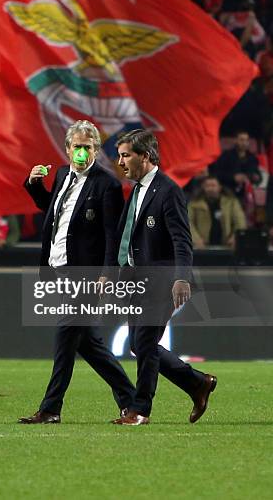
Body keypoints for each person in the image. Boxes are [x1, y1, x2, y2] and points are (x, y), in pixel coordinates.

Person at [18, 120, 138, 424]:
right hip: (59, 268)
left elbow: (113, 234)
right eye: (77, 146)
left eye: (88, 147)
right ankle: (130, 400)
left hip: (84, 274)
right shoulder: (61, 175)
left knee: (65, 336)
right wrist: (34, 186)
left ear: (96, 150)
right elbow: (54, 212)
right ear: (68, 148)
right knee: (88, 344)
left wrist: (107, 274)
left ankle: (50, 408)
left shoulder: (107, 184)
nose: (82, 152)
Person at [113, 129, 217, 426]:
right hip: (139, 280)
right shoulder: (137, 190)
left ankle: (140, 410)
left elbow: (182, 240)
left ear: (145, 156)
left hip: (163, 279)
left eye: (126, 155)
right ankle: (197, 383)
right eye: (120, 155)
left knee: (144, 342)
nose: (120, 162)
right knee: (139, 344)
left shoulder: (168, 190)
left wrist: (181, 278)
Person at [188, 175, 246, 249]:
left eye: (213, 185)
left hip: (226, 245)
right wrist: (196, 239)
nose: (210, 188)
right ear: (203, 188)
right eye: (207, 186)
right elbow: (188, 223)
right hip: (202, 246)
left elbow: (240, 222)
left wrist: (235, 237)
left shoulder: (231, 202)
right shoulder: (194, 204)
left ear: (219, 187)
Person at [210, 131, 262, 204]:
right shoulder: (226, 156)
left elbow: (257, 175)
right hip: (228, 193)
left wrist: (256, 177)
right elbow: (217, 174)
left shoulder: (252, 158)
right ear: (236, 140)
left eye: (246, 140)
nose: (244, 143)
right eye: (241, 140)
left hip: (246, 195)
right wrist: (233, 177)